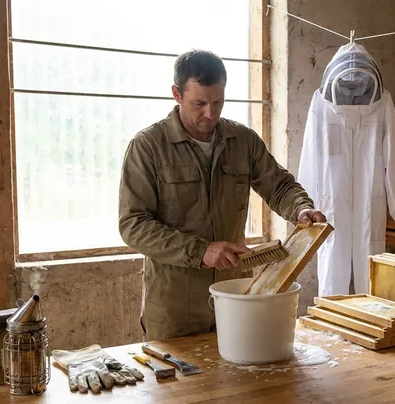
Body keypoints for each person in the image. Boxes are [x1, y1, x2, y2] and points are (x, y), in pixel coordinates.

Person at [118, 50, 326, 341]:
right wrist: (201, 251)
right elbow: (133, 225)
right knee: (178, 386)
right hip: (173, 308)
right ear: (177, 94)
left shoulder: (242, 140)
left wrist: (301, 209)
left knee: (237, 383)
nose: (210, 114)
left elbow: (279, 186)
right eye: (199, 104)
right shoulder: (147, 147)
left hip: (234, 296)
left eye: (218, 102)